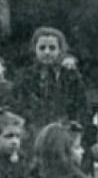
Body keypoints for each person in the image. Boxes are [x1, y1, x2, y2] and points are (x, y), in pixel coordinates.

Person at [13, 27, 92, 170]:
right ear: (34, 49)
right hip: (34, 135)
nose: (47, 52)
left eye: (52, 48)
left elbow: (82, 107)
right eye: (42, 48)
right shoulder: (25, 77)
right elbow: (18, 106)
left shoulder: (71, 77)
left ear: (60, 50)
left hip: (63, 135)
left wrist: (74, 129)